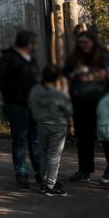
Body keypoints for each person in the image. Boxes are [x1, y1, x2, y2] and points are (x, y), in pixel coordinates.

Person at [0, 30, 42, 188]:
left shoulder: (31, 59)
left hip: (33, 106)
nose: (36, 45)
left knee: (35, 141)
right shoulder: (8, 59)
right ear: (27, 44)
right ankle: (22, 174)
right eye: (34, 42)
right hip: (17, 106)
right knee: (20, 141)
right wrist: (14, 92)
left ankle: (41, 173)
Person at [62, 30, 109, 182]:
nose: (82, 45)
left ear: (93, 43)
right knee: (83, 138)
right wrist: (70, 75)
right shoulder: (75, 58)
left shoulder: (104, 57)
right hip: (81, 104)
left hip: (102, 104)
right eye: (80, 42)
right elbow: (65, 71)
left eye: (86, 42)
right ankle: (84, 170)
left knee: (107, 138)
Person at [27, 65, 73, 196]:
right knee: (54, 156)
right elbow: (68, 110)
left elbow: (30, 104)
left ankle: (44, 181)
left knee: (44, 154)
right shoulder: (58, 93)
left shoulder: (36, 90)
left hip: (41, 124)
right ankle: (50, 186)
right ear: (56, 78)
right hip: (57, 125)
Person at [97, 90, 109, 189]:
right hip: (107, 133)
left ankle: (107, 178)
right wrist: (108, 135)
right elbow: (103, 120)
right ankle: (106, 178)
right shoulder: (107, 99)